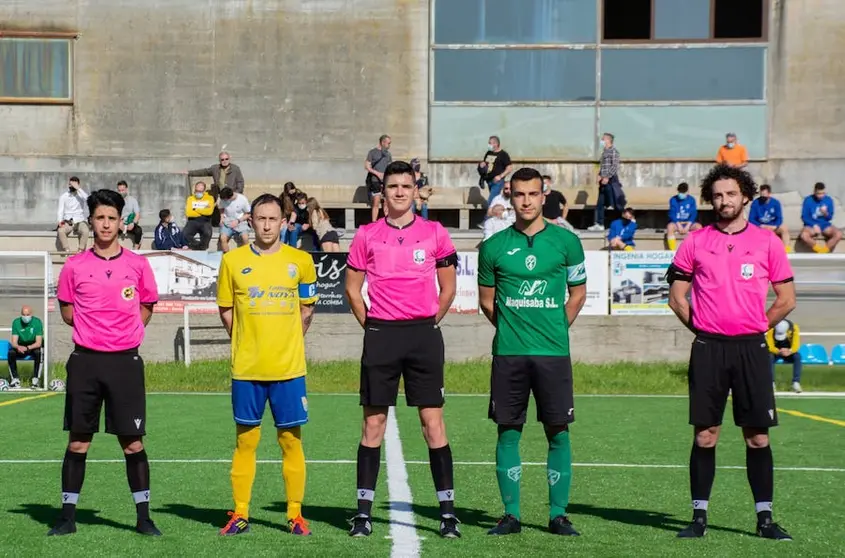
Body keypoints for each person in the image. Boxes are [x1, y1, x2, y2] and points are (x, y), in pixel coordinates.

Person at [667, 163, 796, 541]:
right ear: (711, 199)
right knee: (706, 435)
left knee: (758, 437)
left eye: (731, 194)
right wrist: (704, 327)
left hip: (751, 350)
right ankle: (698, 517)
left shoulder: (767, 242)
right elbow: (676, 297)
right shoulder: (695, 241)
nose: (724, 201)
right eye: (718, 195)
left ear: (745, 197)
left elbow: (786, 299)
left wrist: (758, 325)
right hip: (708, 349)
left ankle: (765, 519)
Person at [345, 160, 461, 539]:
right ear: (383, 192)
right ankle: (363, 514)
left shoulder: (435, 233)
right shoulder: (366, 235)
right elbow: (352, 288)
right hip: (381, 336)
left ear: (416, 190)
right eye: (392, 186)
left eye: (405, 186)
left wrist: (428, 323)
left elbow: (448, 289)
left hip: (423, 337)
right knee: (373, 423)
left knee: (433, 423)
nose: (398, 192)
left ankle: (447, 514)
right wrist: (375, 327)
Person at [477, 167, 588, 537]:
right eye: (519, 194)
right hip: (510, 354)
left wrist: (555, 326)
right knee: (508, 431)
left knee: (558, 431)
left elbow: (578, 294)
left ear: (544, 196)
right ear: (510, 197)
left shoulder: (567, 242)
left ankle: (558, 514)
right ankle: (511, 515)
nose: (525, 201)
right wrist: (515, 328)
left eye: (532, 194)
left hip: (553, 354)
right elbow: (487, 302)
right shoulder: (493, 247)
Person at [50, 189, 161, 537]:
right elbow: (68, 312)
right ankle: (67, 517)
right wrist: (96, 333)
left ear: (121, 222)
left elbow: (146, 308)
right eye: (100, 218)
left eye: (112, 218)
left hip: (125, 363)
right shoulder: (74, 265)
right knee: (78, 441)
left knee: (133, 443)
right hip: (85, 363)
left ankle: (143, 518)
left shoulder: (138, 265)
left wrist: (122, 334)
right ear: (91, 221)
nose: (106, 224)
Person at [216, 193, 319, 537]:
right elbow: (227, 311)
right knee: (245, 442)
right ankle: (240, 512)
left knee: (291, 440)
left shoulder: (301, 260)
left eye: (273, 219)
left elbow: (307, 309)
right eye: (260, 218)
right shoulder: (232, 261)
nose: (266, 225)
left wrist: (286, 340)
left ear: (283, 221)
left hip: (288, 370)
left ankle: (294, 514)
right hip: (247, 369)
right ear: (251, 220)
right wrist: (247, 342)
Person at [588, 132, 622, 231]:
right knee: (600, 203)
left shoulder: (614, 151)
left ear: (608, 140)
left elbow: (614, 166)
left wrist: (607, 177)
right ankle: (599, 223)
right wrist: (599, 175)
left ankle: (622, 222)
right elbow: (603, 167)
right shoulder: (604, 152)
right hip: (603, 181)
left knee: (614, 203)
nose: (602, 141)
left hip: (611, 181)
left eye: (603, 139)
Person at [8, 305, 44, 389]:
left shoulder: (37, 322)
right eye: (23, 315)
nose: (25, 317)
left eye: (27, 315)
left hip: (32, 346)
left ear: (31, 314)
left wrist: (28, 348)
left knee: (39, 353)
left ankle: (35, 379)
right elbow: (14, 342)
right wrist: (18, 347)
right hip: (20, 346)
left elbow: (38, 342)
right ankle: (15, 379)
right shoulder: (16, 322)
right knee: (11, 353)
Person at [799, 182, 842, 253]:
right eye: (818, 193)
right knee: (804, 235)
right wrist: (813, 225)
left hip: (825, 225)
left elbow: (829, 218)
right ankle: (818, 249)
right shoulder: (808, 200)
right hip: (811, 225)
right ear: (814, 192)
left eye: (823, 193)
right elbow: (804, 217)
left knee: (838, 234)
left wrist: (825, 213)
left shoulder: (828, 200)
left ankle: (824, 250)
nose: (821, 196)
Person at [749, 185, 791, 252]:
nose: (763, 197)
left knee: (784, 228)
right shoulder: (755, 203)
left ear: (769, 194)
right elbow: (751, 219)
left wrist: (775, 226)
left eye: (765, 195)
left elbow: (779, 218)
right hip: (760, 227)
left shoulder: (776, 203)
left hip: (772, 226)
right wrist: (760, 225)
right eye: (761, 195)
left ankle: (786, 251)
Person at [478, 135, 513, 214]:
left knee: (491, 200)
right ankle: (497, 218)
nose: (489, 145)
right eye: (488, 143)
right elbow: (486, 164)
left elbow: (509, 168)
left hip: (497, 182)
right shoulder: (489, 153)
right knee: (495, 201)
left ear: (496, 144)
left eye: (490, 143)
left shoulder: (503, 154)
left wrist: (500, 176)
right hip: (489, 181)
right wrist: (482, 165)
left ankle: (486, 220)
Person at [766, 320, 802, 393]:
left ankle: (796, 382)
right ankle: (771, 383)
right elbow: (770, 346)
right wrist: (778, 351)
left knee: (797, 357)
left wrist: (790, 351)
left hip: (788, 351)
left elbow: (796, 345)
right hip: (776, 352)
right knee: (769, 357)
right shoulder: (771, 328)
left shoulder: (794, 328)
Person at [56, 177, 90, 253]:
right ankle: (67, 250)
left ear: (78, 184)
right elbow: (60, 210)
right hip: (68, 222)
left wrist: (78, 188)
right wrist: (59, 221)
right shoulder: (64, 196)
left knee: (86, 231)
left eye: (74, 184)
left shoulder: (81, 195)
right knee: (61, 231)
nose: (72, 186)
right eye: (70, 184)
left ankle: (80, 250)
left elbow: (88, 200)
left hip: (80, 220)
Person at [666, 182, 702, 250]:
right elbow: (672, 213)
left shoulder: (691, 200)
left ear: (687, 192)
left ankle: (696, 249)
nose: (681, 194)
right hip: (677, 223)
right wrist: (678, 225)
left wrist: (688, 225)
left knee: (699, 227)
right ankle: (672, 250)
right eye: (680, 192)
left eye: (683, 192)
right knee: (670, 227)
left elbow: (694, 213)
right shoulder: (673, 199)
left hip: (688, 223)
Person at [365, 135, 392, 223]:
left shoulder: (388, 154)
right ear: (383, 142)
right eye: (388, 143)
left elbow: (390, 167)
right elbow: (367, 166)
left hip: (386, 181)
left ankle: (387, 222)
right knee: (376, 202)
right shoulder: (372, 152)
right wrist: (377, 173)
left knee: (386, 202)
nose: (389, 145)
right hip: (375, 180)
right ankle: (374, 222)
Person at [182, 182, 215, 250]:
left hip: (205, 220)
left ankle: (202, 247)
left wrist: (195, 208)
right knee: (184, 234)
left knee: (207, 233)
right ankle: (198, 245)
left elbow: (209, 212)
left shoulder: (210, 198)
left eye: (200, 191)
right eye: (196, 191)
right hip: (193, 220)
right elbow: (189, 213)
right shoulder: (190, 198)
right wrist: (203, 207)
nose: (198, 193)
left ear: (204, 191)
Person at [217, 187, 251, 253]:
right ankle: (227, 256)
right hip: (228, 221)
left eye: (225, 199)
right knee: (223, 238)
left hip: (240, 221)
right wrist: (222, 218)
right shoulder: (223, 199)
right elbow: (221, 208)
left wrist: (238, 221)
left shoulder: (242, 199)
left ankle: (246, 255)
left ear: (230, 197)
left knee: (245, 238)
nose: (224, 201)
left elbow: (248, 214)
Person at [117, 181, 143, 250]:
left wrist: (133, 223)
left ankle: (136, 249)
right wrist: (118, 222)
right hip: (120, 223)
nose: (121, 192)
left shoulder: (133, 200)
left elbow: (137, 214)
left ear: (126, 189)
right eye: (119, 190)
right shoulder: (115, 201)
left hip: (130, 223)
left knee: (138, 230)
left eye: (122, 190)